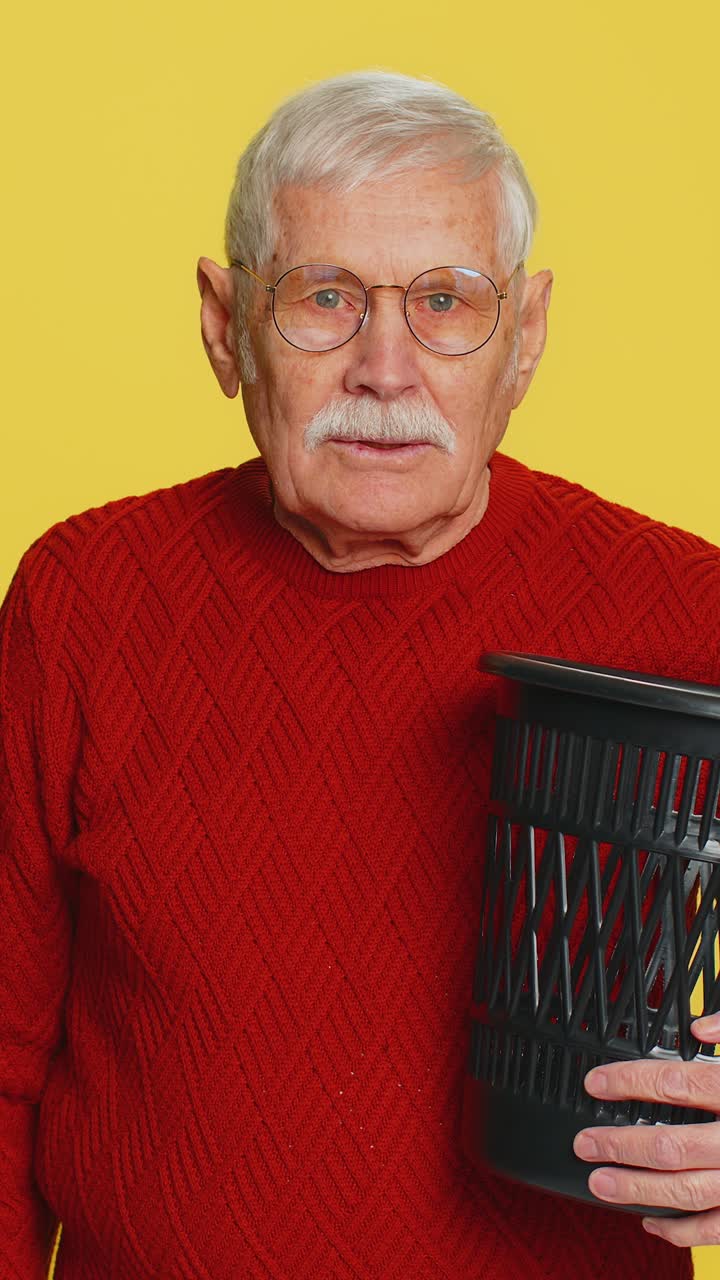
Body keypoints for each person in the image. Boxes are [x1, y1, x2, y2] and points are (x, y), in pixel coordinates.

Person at [2, 70, 719, 1280]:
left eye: (447, 301)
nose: (385, 367)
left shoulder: (686, 611)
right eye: (323, 298)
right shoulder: (83, 601)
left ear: (528, 334)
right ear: (226, 326)